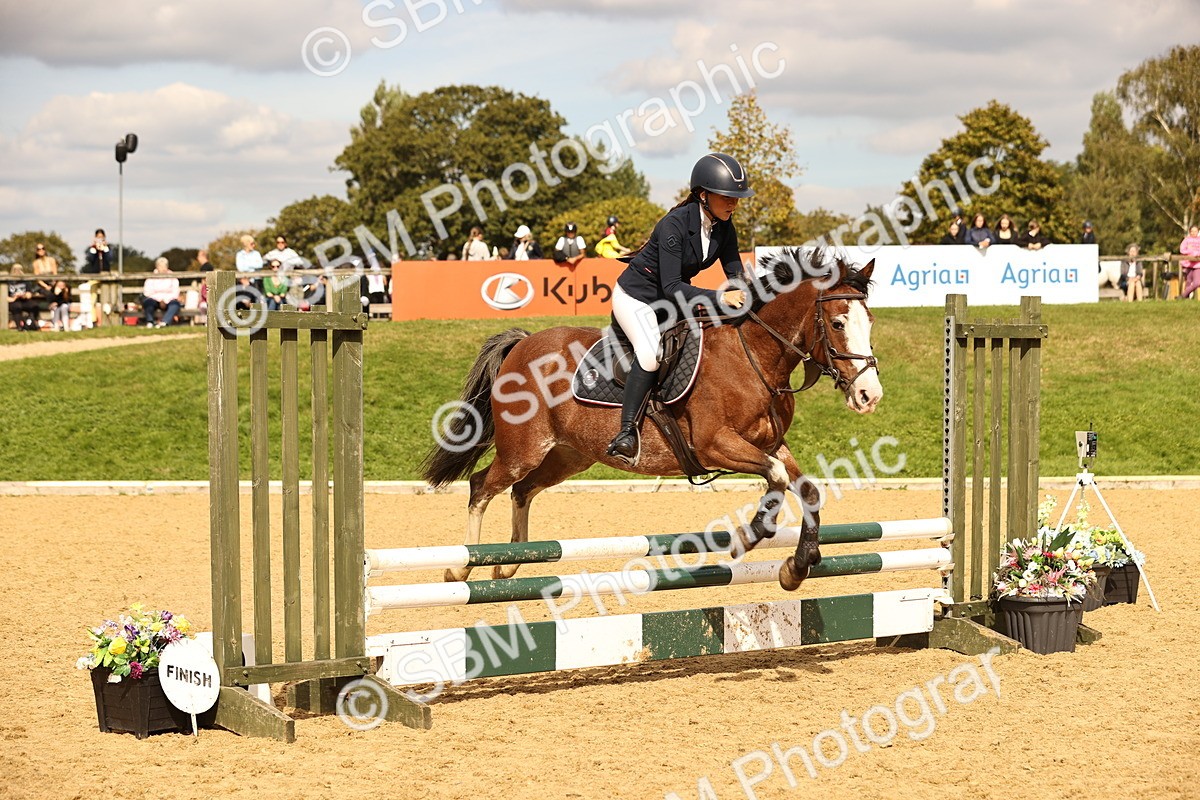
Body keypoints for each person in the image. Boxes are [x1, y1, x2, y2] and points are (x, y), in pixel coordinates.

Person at [604, 152, 752, 464]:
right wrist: (720, 298)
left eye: (737, 198)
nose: (733, 204)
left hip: (672, 297)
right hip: (637, 297)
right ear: (703, 195)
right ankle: (627, 432)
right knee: (650, 352)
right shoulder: (673, 226)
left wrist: (742, 288)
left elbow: (734, 267)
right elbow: (672, 287)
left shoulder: (724, 225)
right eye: (727, 197)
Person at [141, 257, 181, 327]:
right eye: (161, 266)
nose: (163, 268)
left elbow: (175, 292)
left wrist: (165, 300)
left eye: (164, 266)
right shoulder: (151, 277)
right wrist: (160, 300)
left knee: (175, 304)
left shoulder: (173, 276)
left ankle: (164, 322)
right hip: (154, 299)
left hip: (169, 300)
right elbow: (147, 292)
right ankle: (150, 321)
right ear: (157, 267)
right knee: (148, 303)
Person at [6, 264, 39, 331]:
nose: (17, 271)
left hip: (24, 300)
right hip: (14, 301)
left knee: (34, 305)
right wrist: (15, 297)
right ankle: (20, 327)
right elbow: (5, 297)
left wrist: (26, 295)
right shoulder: (8, 281)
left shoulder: (26, 281)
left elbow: (29, 293)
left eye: (19, 269)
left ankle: (30, 325)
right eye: (15, 269)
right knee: (17, 306)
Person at [1179, 225, 1200, 299]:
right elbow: (1182, 250)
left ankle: (1183, 295)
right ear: (1190, 232)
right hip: (1188, 264)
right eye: (1192, 231)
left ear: (1198, 231)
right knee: (1188, 281)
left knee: (1197, 282)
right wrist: (1191, 252)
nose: (1194, 233)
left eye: (1196, 231)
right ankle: (1186, 299)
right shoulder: (1187, 240)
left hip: (1198, 265)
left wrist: (1196, 253)